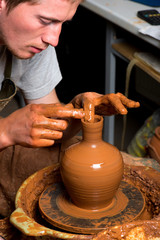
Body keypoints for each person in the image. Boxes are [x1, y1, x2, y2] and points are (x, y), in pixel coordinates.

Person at [0, 0, 140, 238]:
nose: (53, 39)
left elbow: (52, 131)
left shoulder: (34, 43)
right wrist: (5, 131)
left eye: (62, 23)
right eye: (45, 21)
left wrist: (76, 113)